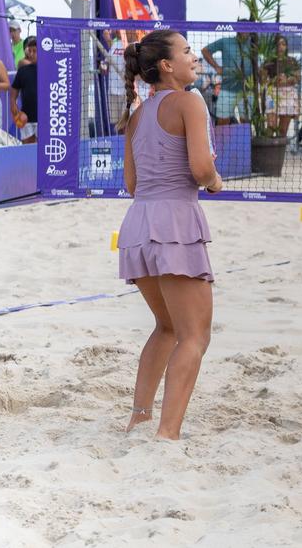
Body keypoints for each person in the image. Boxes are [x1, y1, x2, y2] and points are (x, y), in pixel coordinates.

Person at [116, 30, 222, 439]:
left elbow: (131, 183)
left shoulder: (137, 113)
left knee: (166, 327)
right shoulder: (190, 103)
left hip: (139, 222)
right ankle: (167, 433)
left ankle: (139, 419)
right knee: (195, 335)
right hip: (175, 222)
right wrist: (213, 180)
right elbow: (199, 169)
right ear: (166, 65)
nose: (193, 57)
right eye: (186, 51)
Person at [201, 31, 253, 125]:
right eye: (244, 28)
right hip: (227, 88)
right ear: (238, 29)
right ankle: (221, 140)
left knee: (246, 122)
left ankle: (246, 140)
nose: (246, 31)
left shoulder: (253, 44)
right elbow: (205, 50)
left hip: (247, 90)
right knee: (223, 122)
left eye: (248, 29)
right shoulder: (226, 41)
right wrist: (216, 67)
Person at [10, 36, 39, 143]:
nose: (31, 54)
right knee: (27, 148)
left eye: (34, 51)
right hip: (26, 116)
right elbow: (14, 91)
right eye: (29, 51)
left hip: (44, 117)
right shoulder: (23, 70)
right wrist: (13, 105)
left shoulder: (48, 70)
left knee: (44, 149)